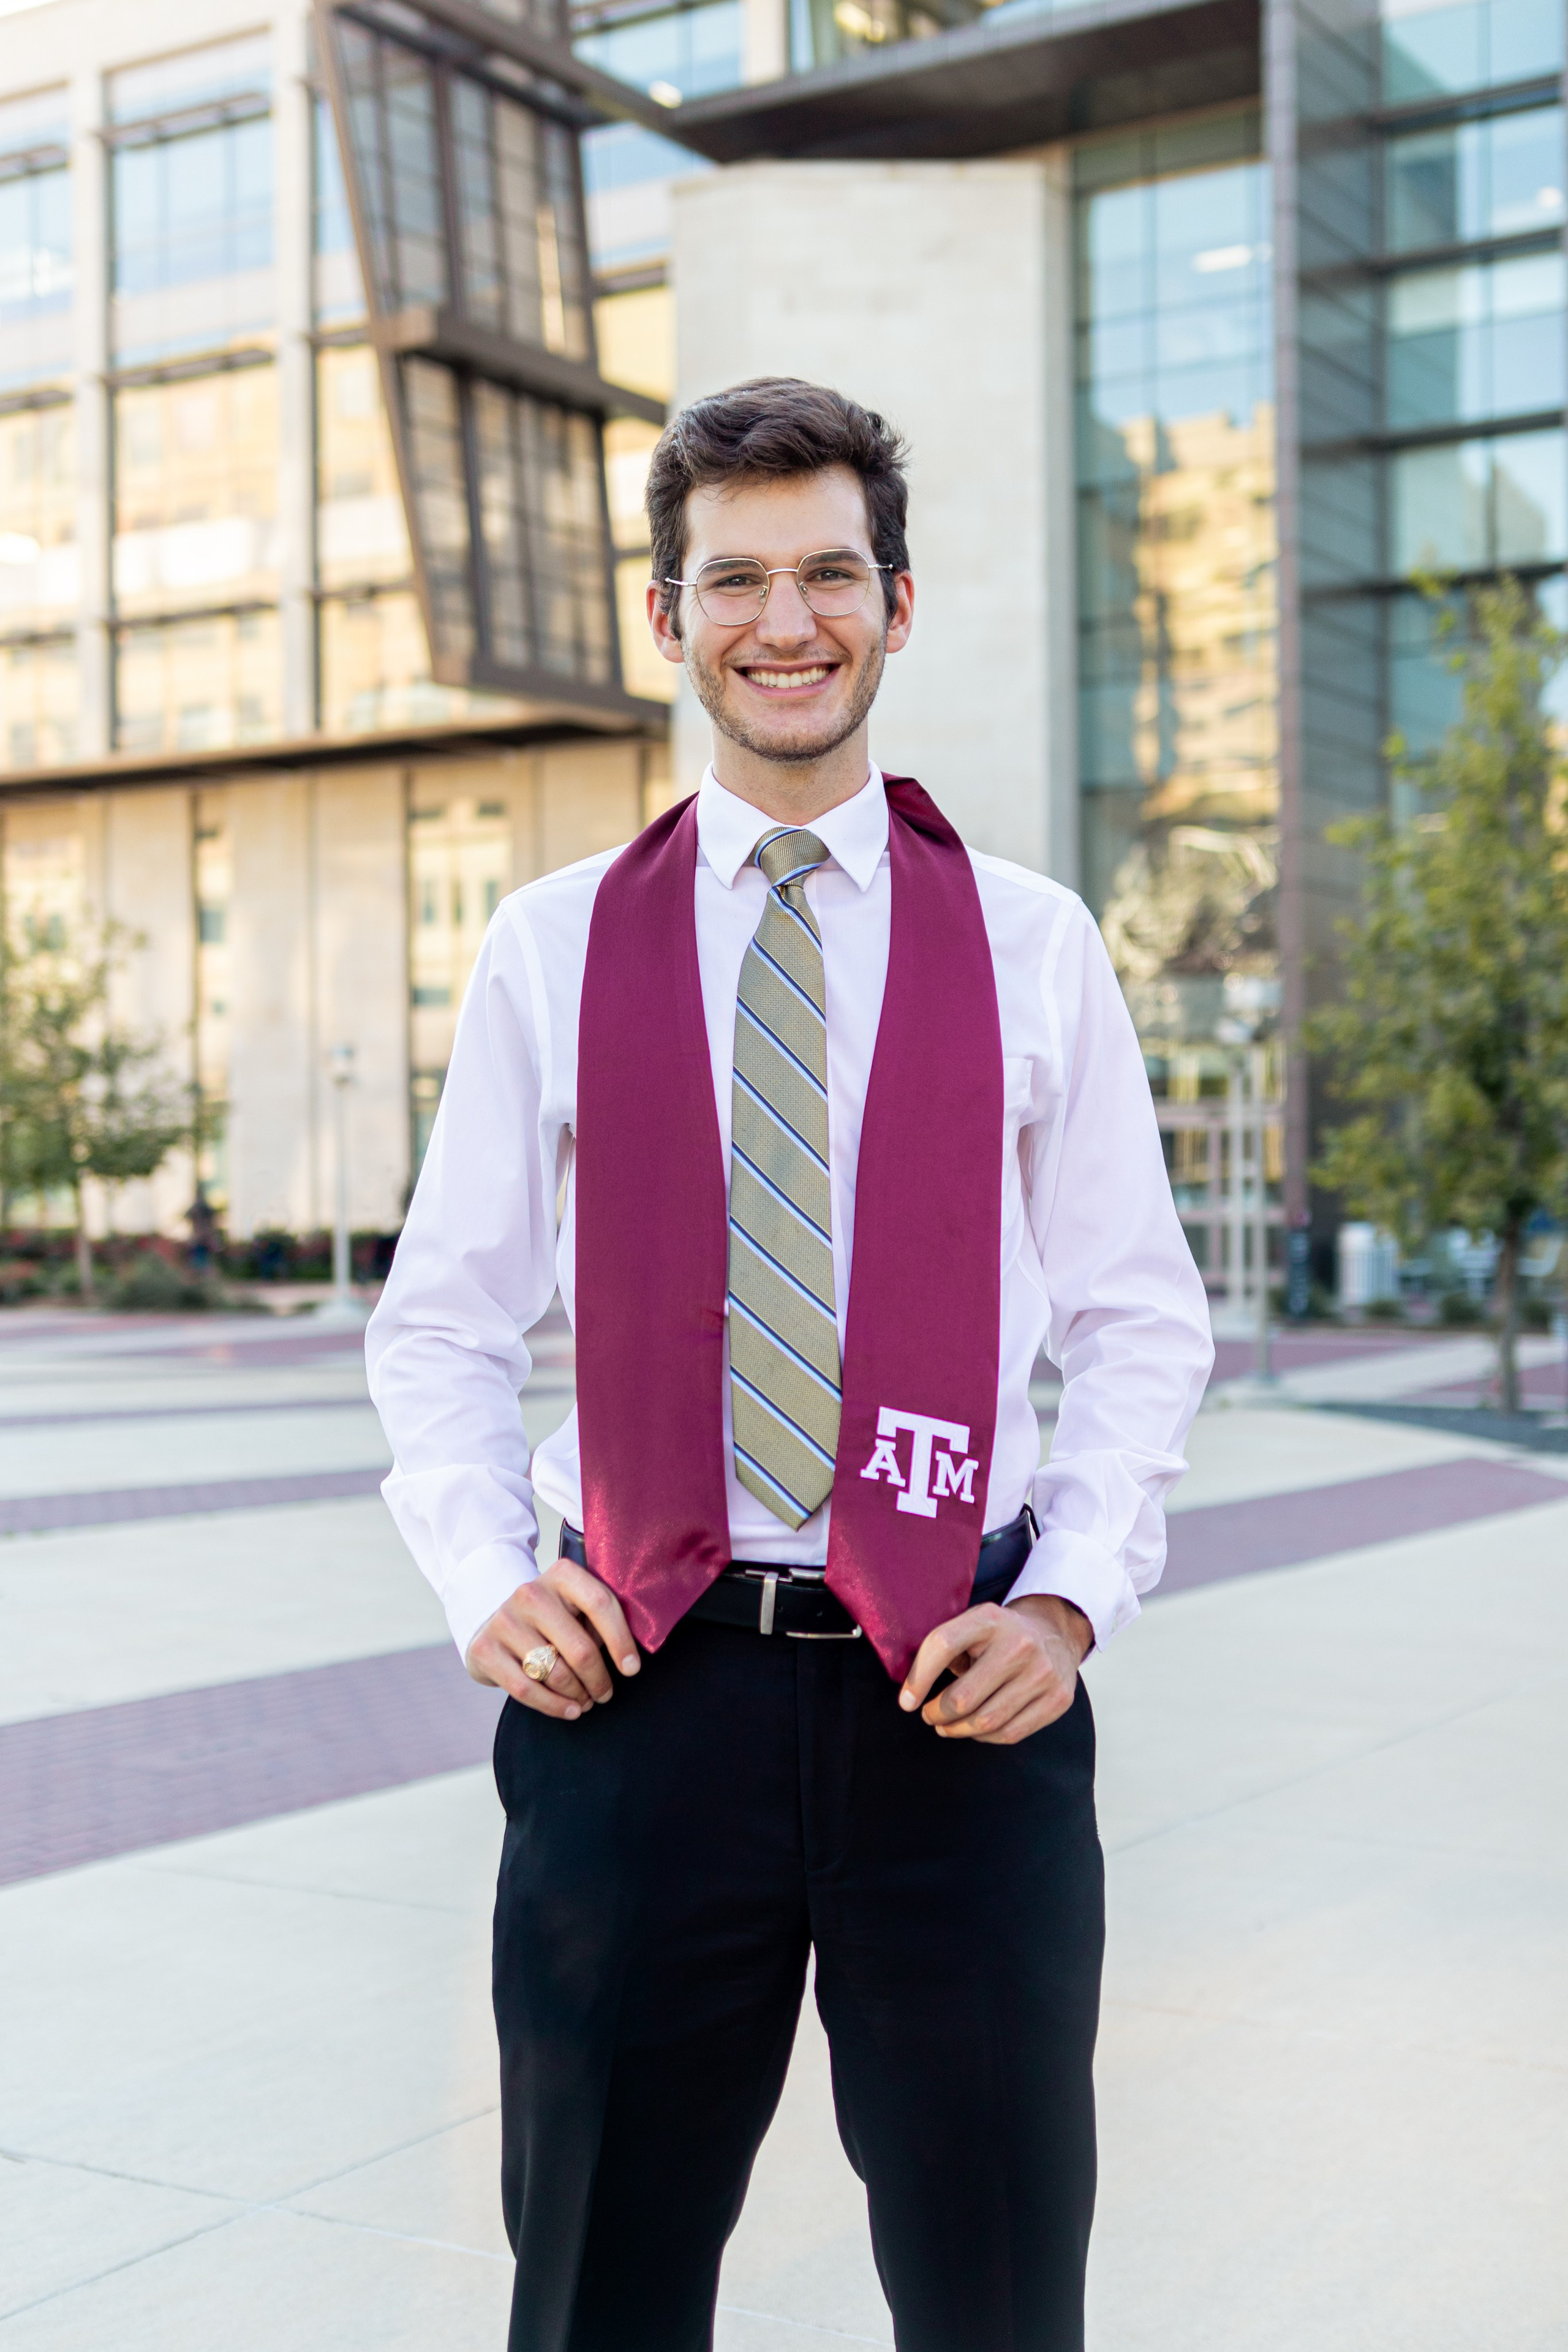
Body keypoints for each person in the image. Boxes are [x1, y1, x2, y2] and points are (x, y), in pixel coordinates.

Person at [366, 377, 1213, 2352]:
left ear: (897, 607)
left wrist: (1079, 1594)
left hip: (958, 1693)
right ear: (670, 620)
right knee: (596, 2283)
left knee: (999, 2290)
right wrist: (490, 1579)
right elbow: (441, 1321)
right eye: (734, 579)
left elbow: (1139, 1312)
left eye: (831, 573)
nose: (786, 620)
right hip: (645, 1696)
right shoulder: (555, 945)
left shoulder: (1032, 942)